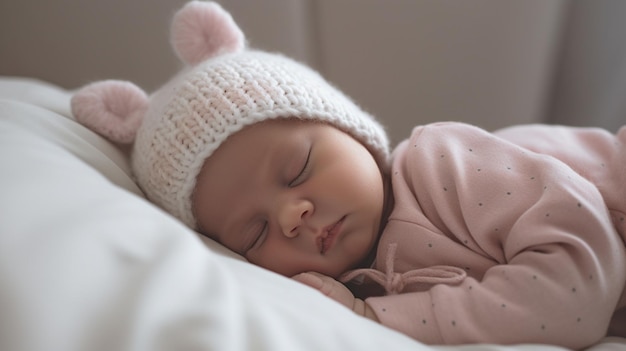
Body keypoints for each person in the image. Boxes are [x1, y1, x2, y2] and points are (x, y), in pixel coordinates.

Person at [70, 1, 626, 349]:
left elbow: (573, 294)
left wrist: (380, 317)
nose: (292, 215)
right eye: (254, 234)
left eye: (298, 170)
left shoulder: (442, 165)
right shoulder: (353, 286)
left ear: (354, 132)